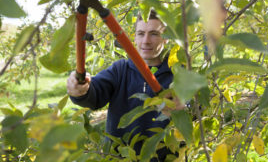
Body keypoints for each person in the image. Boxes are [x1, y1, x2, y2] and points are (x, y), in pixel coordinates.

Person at [67, 10, 184, 161]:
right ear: (134, 36)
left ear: (166, 37)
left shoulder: (180, 75)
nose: (146, 41)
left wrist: (184, 110)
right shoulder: (120, 70)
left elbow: (197, 115)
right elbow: (94, 94)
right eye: (141, 33)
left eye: (154, 33)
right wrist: (80, 90)